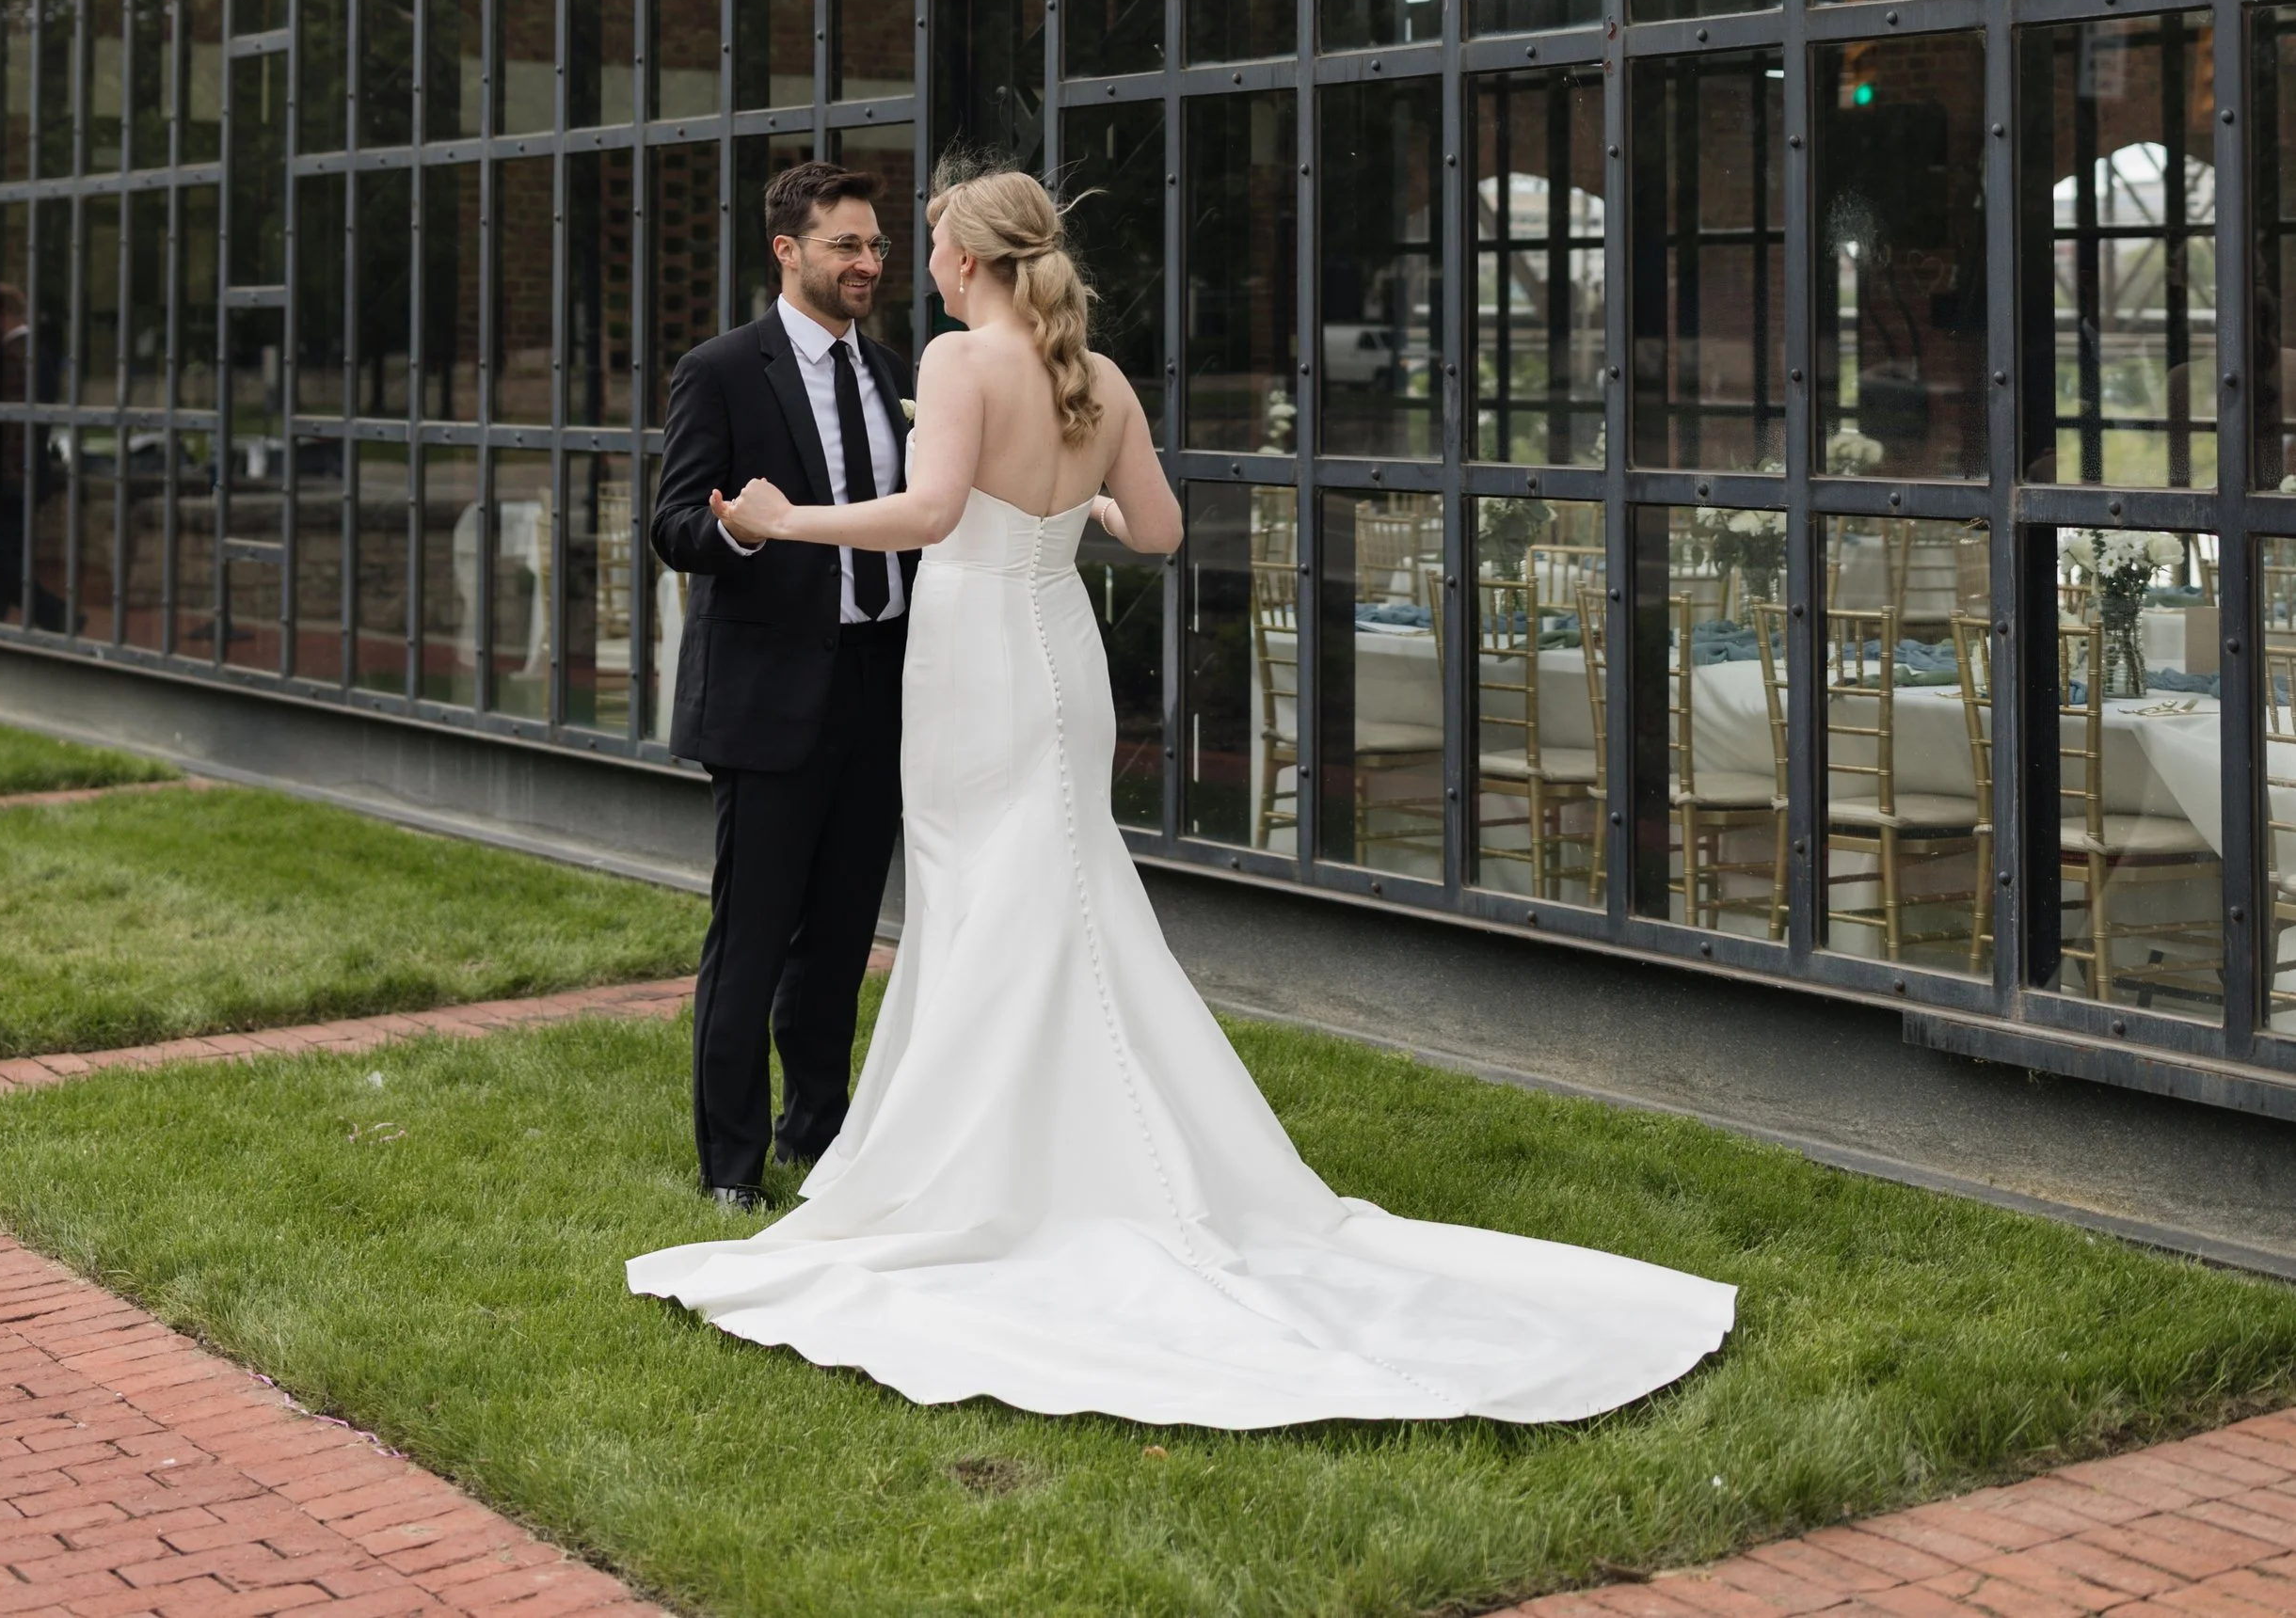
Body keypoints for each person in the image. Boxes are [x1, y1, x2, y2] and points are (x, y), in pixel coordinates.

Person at [630, 169, 1732, 1428]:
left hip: (972, 668)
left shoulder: (951, 362)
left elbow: (934, 510)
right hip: (1062, 661)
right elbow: (1153, 530)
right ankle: (1049, 1148)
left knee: (984, 903)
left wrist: (786, 516)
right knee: (1059, 889)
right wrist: (1077, 499)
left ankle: (980, 1165)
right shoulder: (1098, 378)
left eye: (929, 244)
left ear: (977, 261)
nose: (916, 263)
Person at [648, 162, 913, 1210]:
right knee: (750, 941)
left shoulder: (897, 369)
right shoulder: (720, 370)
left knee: (842, 938)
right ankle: (730, 1169)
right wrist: (737, 526)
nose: (867, 263)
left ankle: (818, 1133)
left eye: (878, 245)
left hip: (879, 687)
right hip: (767, 700)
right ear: (787, 251)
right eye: (846, 245)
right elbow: (672, 525)